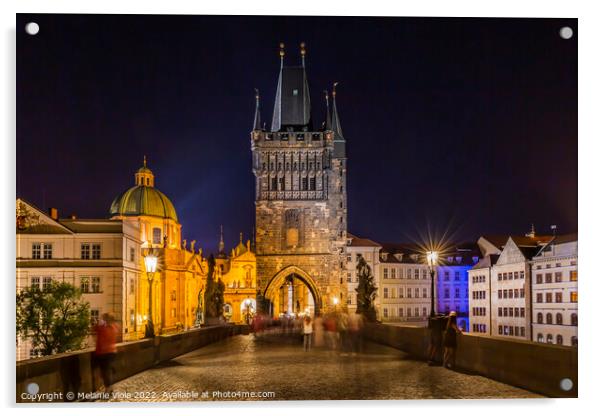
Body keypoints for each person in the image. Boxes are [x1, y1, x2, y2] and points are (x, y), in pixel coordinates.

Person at [94, 313, 119, 393]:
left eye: (103, 318)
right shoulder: (115, 327)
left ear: (106, 320)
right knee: (107, 370)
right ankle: (109, 386)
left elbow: (95, 328)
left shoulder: (103, 328)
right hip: (112, 351)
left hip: (104, 352)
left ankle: (107, 388)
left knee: (104, 371)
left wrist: (96, 322)